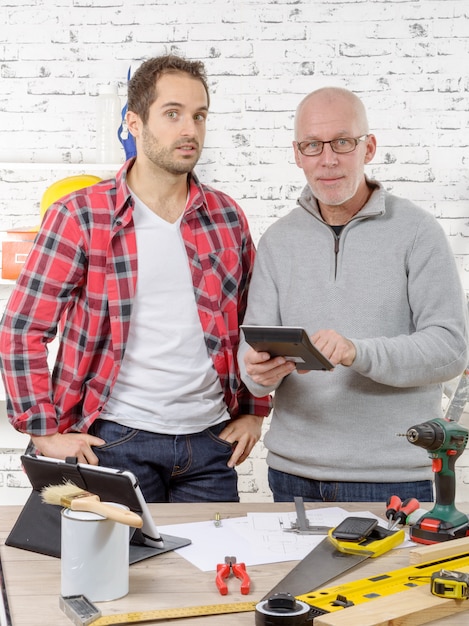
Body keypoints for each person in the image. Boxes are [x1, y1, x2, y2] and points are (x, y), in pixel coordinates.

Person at [0, 54, 271, 503]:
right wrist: (43, 432)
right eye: (172, 113)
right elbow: (23, 328)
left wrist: (255, 412)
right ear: (134, 122)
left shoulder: (226, 216)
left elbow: (253, 321)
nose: (190, 129)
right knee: (119, 572)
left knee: (209, 573)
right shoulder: (82, 215)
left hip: (211, 443)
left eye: (199, 115)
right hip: (115, 441)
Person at [239, 86, 469, 503]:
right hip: (291, 477)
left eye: (343, 142)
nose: (328, 159)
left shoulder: (418, 232)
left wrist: (356, 351)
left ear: (369, 147)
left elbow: (451, 349)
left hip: (396, 479)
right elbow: (250, 356)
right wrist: (256, 372)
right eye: (313, 145)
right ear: (297, 153)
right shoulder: (277, 240)